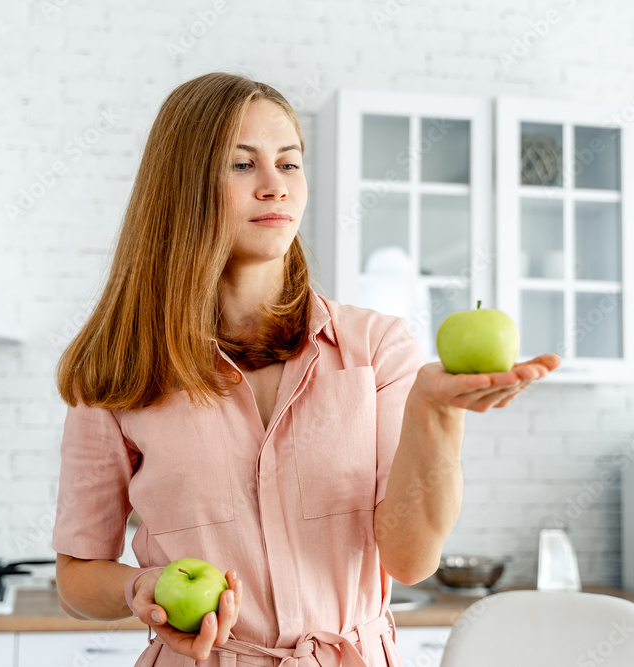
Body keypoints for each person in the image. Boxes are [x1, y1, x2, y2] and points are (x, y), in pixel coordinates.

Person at [51, 71, 560, 667]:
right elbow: (78, 574)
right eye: (243, 166)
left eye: (289, 164)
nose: (275, 187)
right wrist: (136, 588)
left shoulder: (375, 348)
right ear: (181, 187)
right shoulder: (120, 367)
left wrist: (436, 413)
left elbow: (411, 558)